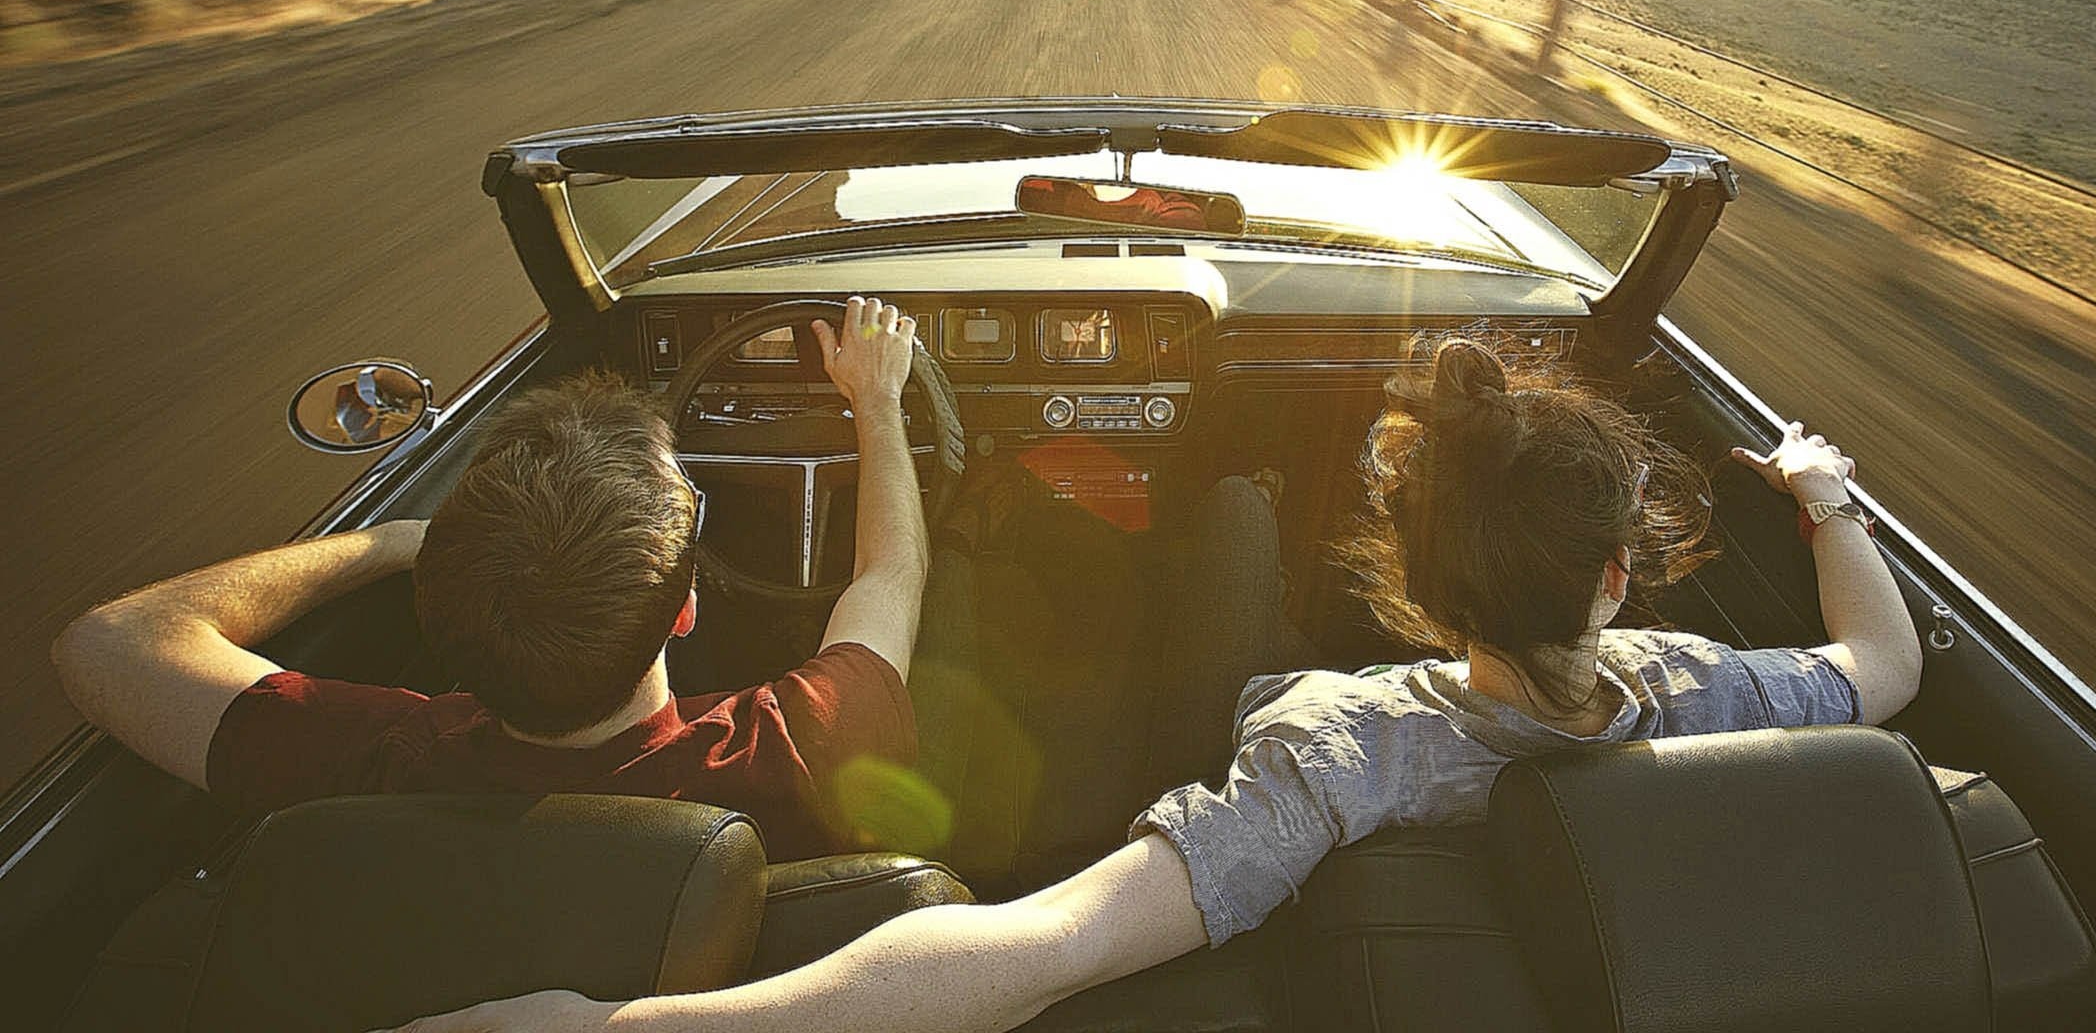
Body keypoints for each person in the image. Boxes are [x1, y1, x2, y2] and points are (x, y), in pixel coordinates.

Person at [395, 335, 1924, 1033]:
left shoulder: (1336, 746)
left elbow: (1034, 946)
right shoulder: (1715, 693)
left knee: (1233, 519)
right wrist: (1828, 503)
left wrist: (616, 1029)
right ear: (1616, 575)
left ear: (1412, 579)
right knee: (1234, 513)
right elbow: (1886, 667)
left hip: (1286, 827)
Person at [51, 296, 931, 863]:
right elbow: (891, 573)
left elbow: (104, 643)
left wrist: (392, 542)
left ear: (440, 613)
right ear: (686, 609)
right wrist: (876, 402)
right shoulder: (800, 749)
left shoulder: (374, 761)